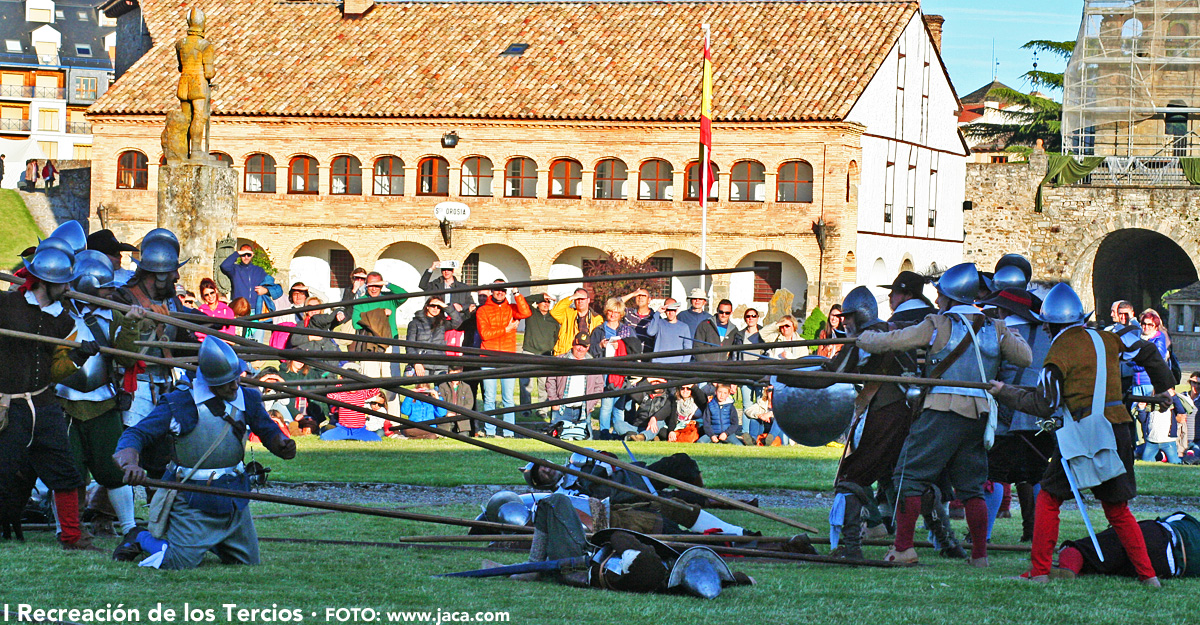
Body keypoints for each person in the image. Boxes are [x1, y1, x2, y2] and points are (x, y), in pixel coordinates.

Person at [988, 283, 1174, 585]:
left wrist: (1005, 393)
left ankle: (1039, 572)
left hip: (1081, 433)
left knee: (1048, 499)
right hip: (1117, 430)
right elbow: (1150, 352)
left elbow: (1045, 404)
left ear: (1049, 324)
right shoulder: (1108, 337)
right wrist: (1164, 389)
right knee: (1117, 509)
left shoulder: (1059, 350)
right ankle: (1148, 576)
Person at [856, 263, 1032, 566]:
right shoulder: (994, 326)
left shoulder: (937, 323)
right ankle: (979, 556)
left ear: (951, 297)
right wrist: (1009, 334)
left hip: (941, 411)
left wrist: (864, 339)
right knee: (971, 487)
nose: (937, 300)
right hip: (978, 415)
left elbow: (893, 342)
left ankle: (903, 548)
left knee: (907, 477)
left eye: (940, 295)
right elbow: (1025, 357)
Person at [111, 337, 296, 569]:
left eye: (235, 378)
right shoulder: (178, 403)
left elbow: (268, 430)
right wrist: (130, 462)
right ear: (208, 381)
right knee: (176, 562)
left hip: (234, 499)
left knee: (248, 563)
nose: (234, 386)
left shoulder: (247, 398)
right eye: (226, 382)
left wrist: (281, 444)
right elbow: (136, 434)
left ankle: (210, 542)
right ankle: (140, 537)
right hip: (192, 498)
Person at [777, 287, 918, 558]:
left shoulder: (868, 338)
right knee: (904, 477)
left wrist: (784, 376)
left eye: (849, 317)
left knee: (852, 475)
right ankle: (944, 540)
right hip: (904, 411)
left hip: (887, 412)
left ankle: (851, 547)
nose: (845, 323)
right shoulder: (890, 330)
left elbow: (832, 374)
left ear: (860, 315)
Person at [0, 243, 118, 549]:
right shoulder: (6, 305)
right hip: (7, 405)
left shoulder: (64, 321)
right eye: (64, 282)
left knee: (65, 473)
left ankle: (72, 536)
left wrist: (79, 357)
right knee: (3, 472)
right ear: (46, 282)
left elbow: (56, 371)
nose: (69, 288)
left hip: (44, 403)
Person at [55, 253, 145, 540]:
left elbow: (128, 359)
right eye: (105, 288)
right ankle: (66, 529)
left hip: (103, 404)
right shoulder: (59, 315)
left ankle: (129, 528)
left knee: (113, 469)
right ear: (87, 286)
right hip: (64, 404)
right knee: (68, 472)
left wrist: (131, 324)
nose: (111, 293)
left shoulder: (114, 316)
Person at [978, 287, 1054, 543]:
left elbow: (987, 371)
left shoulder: (997, 332)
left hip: (1005, 415)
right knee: (1037, 474)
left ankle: (982, 536)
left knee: (994, 475)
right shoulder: (1048, 335)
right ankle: (1035, 534)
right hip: (1041, 415)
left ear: (1004, 310)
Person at [1049, 511, 1200, 581]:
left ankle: (1067, 569)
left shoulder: (1190, 522)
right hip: (1164, 568)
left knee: (1081, 549)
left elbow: (1165, 520)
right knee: (1103, 565)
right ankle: (1074, 568)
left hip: (1157, 535)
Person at [476, 279, 531, 437]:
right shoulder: (483, 310)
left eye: (503, 290)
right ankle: (490, 431)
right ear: (491, 291)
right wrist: (506, 329)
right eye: (497, 290)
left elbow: (526, 312)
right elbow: (485, 335)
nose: (500, 292)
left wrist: (517, 293)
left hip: (508, 358)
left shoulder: (512, 308)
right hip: (488, 357)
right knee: (489, 397)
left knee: (508, 398)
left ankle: (509, 432)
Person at [350, 272, 406, 413]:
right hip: (369, 345)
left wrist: (387, 284)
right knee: (369, 382)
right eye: (371, 286)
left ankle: (394, 422)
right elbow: (356, 323)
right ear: (366, 286)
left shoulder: (390, 298)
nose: (374, 289)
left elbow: (404, 295)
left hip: (390, 343)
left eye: (377, 285)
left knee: (392, 382)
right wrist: (380, 313)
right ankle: (370, 419)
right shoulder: (361, 301)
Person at [589, 297, 641, 440]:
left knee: (619, 405)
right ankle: (604, 432)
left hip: (621, 371)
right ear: (606, 312)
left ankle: (620, 430)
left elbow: (635, 350)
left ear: (621, 314)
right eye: (611, 311)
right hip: (604, 371)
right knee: (606, 405)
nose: (613, 315)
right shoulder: (599, 330)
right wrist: (600, 346)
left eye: (617, 312)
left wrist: (622, 347)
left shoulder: (627, 330)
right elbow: (590, 352)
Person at [545, 332, 604, 440]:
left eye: (584, 346)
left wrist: (591, 404)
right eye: (578, 345)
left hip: (583, 410)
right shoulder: (560, 360)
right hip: (561, 409)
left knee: (587, 445)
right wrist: (554, 401)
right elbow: (550, 381)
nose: (580, 349)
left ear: (588, 347)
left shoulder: (593, 364)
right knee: (555, 443)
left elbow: (599, 386)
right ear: (573, 343)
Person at [520, 292, 559, 420]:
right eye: (544, 302)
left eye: (548, 302)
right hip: (529, 352)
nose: (546, 304)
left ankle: (542, 409)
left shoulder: (553, 320)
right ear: (538, 303)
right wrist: (542, 296)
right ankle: (525, 409)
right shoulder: (531, 314)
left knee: (544, 384)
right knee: (526, 384)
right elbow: (524, 300)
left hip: (545, 355)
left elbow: (556, 338)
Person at [321, 365, 384, 442]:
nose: (353, 388)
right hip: (343, 428)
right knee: (324, 437)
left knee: (377, 439)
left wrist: (365, 379)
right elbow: (329, 395)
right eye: (350, 385)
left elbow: (375, 391)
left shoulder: (361, 393)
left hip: (359, 429)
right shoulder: (342, 394)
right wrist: (340, 383)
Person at [405, 296, 463, 378]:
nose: (435, 308)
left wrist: (445, 306)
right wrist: (416, 362)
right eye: (433, 306)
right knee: (422, 390)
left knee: (442, 390)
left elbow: (458, 322)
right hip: (422, 364)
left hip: (440, 364)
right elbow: (409, 345)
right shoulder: (415, 323)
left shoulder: (442, 323)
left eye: (438, 307)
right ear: (427, 306)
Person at [219, 245, 282, 315]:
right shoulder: (235, 269)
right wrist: (237, 253)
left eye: (248, 254)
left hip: (256, 310)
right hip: (239, 309)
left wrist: (266, 290)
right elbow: (224, 266)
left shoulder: (259, 270)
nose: (246, 257)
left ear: (252, 255)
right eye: (243, 254)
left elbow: (277, 289)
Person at [551, 288, 601, 356]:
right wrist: (571, 297)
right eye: (577, 299)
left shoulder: (597, 318)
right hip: (566, 355)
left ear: (588, 300)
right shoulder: (567, 314)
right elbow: (554, 312)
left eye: (582, 299)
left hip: (586, 355)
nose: (580, 301)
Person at [646, 299, 691, 363]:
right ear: (665, 310)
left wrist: (683, 364)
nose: (671, 313)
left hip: (677, 365)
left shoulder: (684, 327)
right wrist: (657, 313)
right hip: (659, 363)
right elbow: (650, 332)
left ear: (677, 310)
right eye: (668, 310)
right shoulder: (659, 323)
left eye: (673, 310)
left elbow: (688, 348)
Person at [437, 366, 474, 436]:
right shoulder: (442, 386)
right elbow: (441, 402)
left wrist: (460, 412)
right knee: (444, 434)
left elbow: (469, 403)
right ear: (448, 374)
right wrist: (447, 413)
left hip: (462, 418)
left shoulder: (466, 387)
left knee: (464, 436)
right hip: (447, 418)